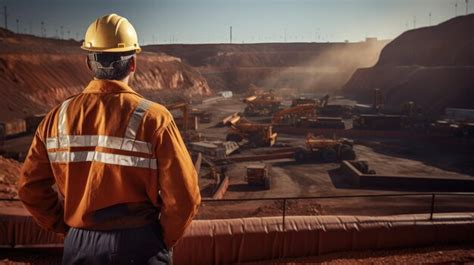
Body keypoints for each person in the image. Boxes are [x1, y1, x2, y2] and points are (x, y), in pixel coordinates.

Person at [18, 13, 200, 265]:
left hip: (79, 243)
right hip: (140, 244)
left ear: (88, 63)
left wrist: (67, 226)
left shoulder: (55, 119)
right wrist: (161, 239)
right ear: (133, 63)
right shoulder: (154, 118)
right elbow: (184, 196)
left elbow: (29, 188)